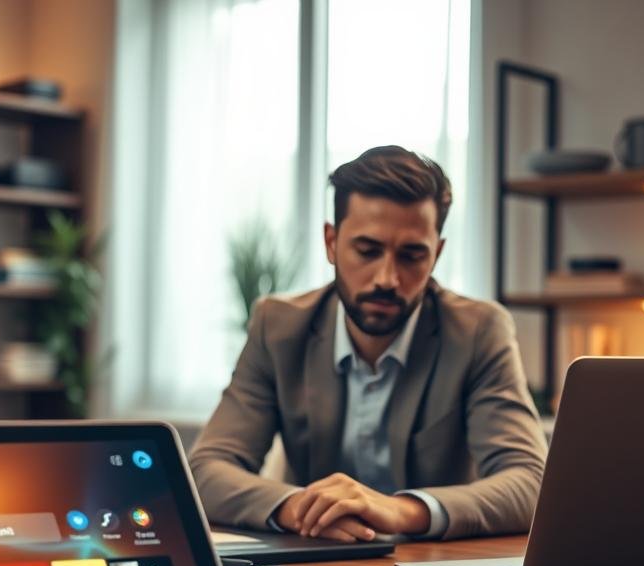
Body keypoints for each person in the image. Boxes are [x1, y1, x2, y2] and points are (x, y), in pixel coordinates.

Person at [190, 146, 547, 542]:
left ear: (437, 254)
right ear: (331, 242)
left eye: (412, 255)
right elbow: (206, 469)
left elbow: (531, 483)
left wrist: (400, 509)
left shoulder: (478, 331)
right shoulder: (278, 326)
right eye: (367, 250)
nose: (386, 278)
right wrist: (298, 508)